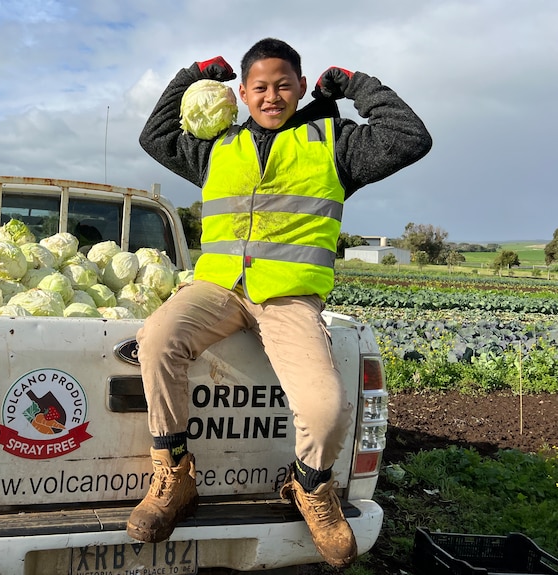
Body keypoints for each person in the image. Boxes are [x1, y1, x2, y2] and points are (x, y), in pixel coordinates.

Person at [126, 37, 432, 568]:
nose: (272, 96)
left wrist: (356, 85)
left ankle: (310, 485)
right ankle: (174, 477)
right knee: (156, 339)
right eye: (260, 87)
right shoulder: (216, 147)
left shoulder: (333, 143)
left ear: (300, 86)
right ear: (242, 93)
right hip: (218, 288)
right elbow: (154, 135)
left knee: (325, 405)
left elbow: (411, 137)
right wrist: (193, 75)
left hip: (288, 298)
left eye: (283, 85)